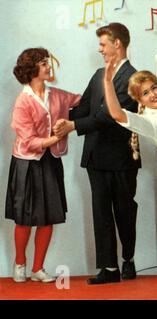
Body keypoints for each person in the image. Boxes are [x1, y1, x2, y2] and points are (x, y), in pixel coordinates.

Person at [53, 23, 141, 285]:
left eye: (103, 44)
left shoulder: (134, 78)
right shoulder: (97, 75)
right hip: (96, 156)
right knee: (101, 212)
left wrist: (74, 126)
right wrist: (57, 119)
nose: (100, 49)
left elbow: (108, 117)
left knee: (125, 210)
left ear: (118, 44)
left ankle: (128, 259)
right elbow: (84, 109)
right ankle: (109, 268)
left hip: (122, 158)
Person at [6, 48, 81, 283]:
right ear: (32, 70)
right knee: (24, 218)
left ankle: (38, 268)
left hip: (50, 161)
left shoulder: (57, 94)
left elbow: (82, 101)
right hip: (26, 163)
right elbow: (28, 141)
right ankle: (20, 264)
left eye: (48, 63)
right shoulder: (22, 102)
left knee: (48, 216)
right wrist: (57, 136)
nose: (49, 67)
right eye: (44, 64)